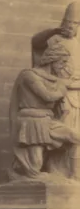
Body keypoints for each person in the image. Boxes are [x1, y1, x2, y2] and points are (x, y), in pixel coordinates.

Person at [9, 41, 80, 180]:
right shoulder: (29, 76)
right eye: (62, 62)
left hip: (47, 121)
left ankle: (74, 176)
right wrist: (63, 86)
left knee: (75, 137)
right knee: (35, 169)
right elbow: (47, 96)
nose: (63, 66)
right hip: (32, 122)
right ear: (52, 60)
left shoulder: (53, 79)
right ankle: (19, 171)